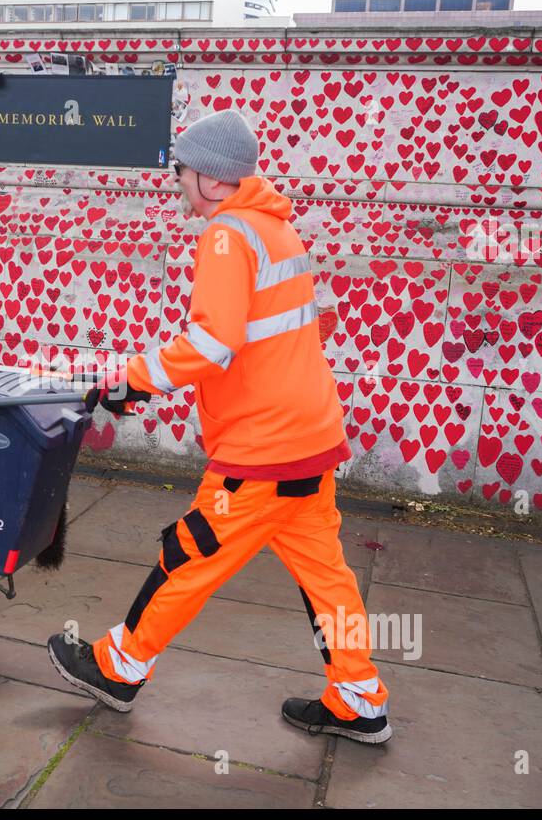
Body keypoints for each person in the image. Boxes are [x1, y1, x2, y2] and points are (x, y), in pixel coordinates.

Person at [48, 109, 392, 745]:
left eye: (180, 171)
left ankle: (118, 666)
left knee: (189, 554)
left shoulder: (228, 235)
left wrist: (132, 377)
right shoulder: (276, 229)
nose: (176, 182)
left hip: (262, 452)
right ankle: (359, 696)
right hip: (311, 441)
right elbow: (253, 344)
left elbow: (212, 344)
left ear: (208, 177)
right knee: (328, 577)